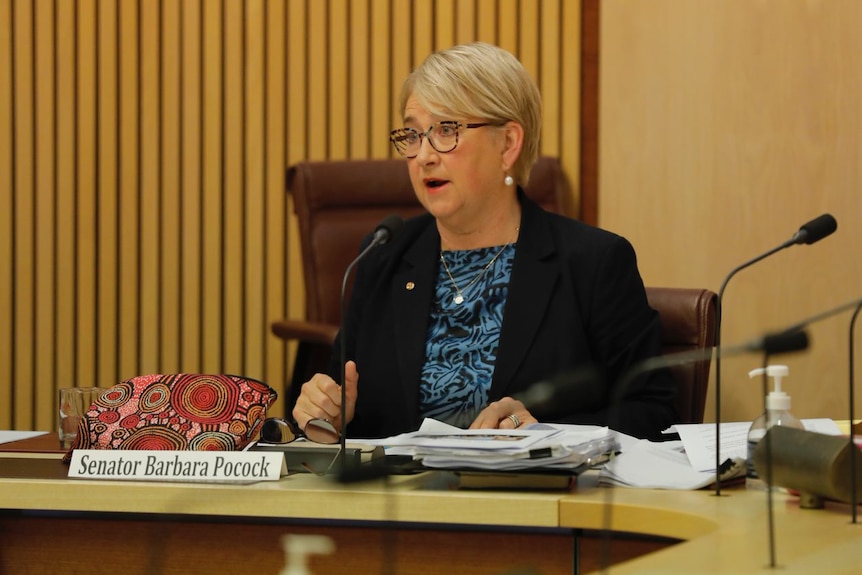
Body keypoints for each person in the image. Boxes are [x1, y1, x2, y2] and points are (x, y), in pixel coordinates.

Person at [292, 42, 677, 441]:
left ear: (508, 144)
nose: (423, 155)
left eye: (446, 130)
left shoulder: (593, 263)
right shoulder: (384, 255)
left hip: (534, 500)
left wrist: (546, 433)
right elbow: (347, 406)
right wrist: (329, 415)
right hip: (401, 500)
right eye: (412, 134)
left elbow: (654, 412)